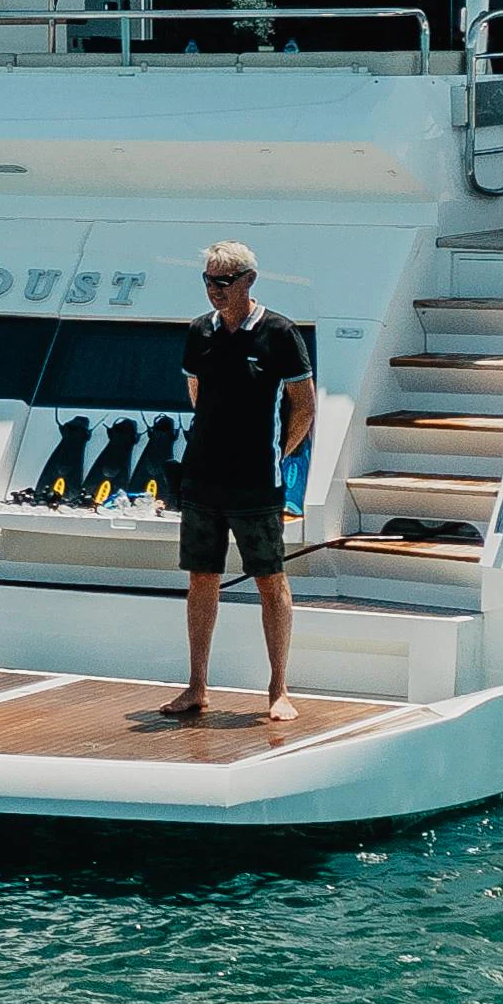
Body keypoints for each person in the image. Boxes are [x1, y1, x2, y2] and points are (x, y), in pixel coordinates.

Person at [159, 241, 317, 723]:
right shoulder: (198, 332)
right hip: (203, 479)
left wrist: (274, 454)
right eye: (208, 281)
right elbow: (196, 395)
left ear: (248, 281)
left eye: (223, 282)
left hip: (256, 483)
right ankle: (196, 687)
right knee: (201, 579)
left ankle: (278, 690)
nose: (214, 291)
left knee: (271, 580)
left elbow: (304, 408)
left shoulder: (280, 333)